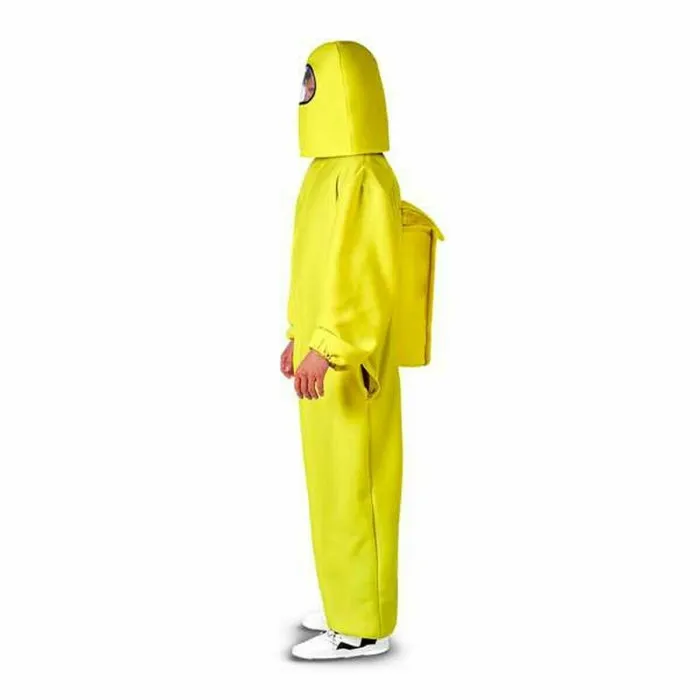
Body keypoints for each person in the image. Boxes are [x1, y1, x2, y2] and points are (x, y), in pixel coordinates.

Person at [281, 41, 403, 660]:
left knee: (358, 486)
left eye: (314, 84)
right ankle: (345, 597)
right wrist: (296, 335)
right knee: (330, 483)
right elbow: (313, 268)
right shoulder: (322, 172)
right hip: (322, 357)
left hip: (348, 363)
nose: (304, 95)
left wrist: (329, 348)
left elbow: (363, 277)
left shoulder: (363, 175)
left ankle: (362, 624)